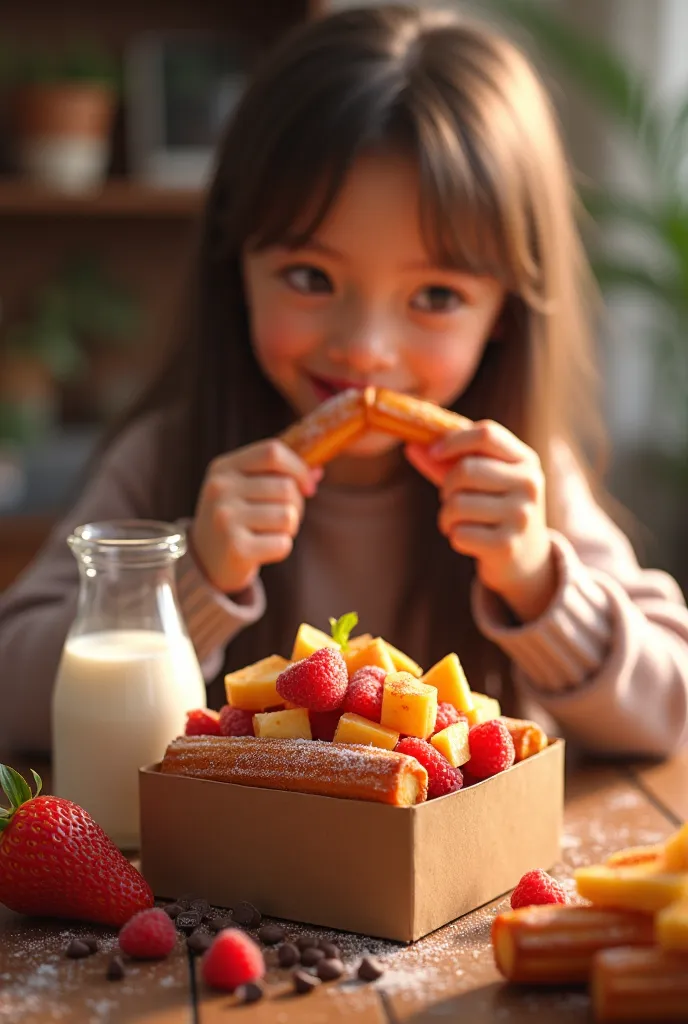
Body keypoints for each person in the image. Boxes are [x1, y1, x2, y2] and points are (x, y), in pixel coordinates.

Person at [1, 4, 687, 758]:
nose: (364, 351)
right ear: (238, 271)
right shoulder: (167, 459)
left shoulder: (525, 481)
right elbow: (13, 701)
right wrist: (193, 579)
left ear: (503, 314)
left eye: (435, 296)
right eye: (309, 276)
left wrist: (537, 583)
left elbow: (673, 711)